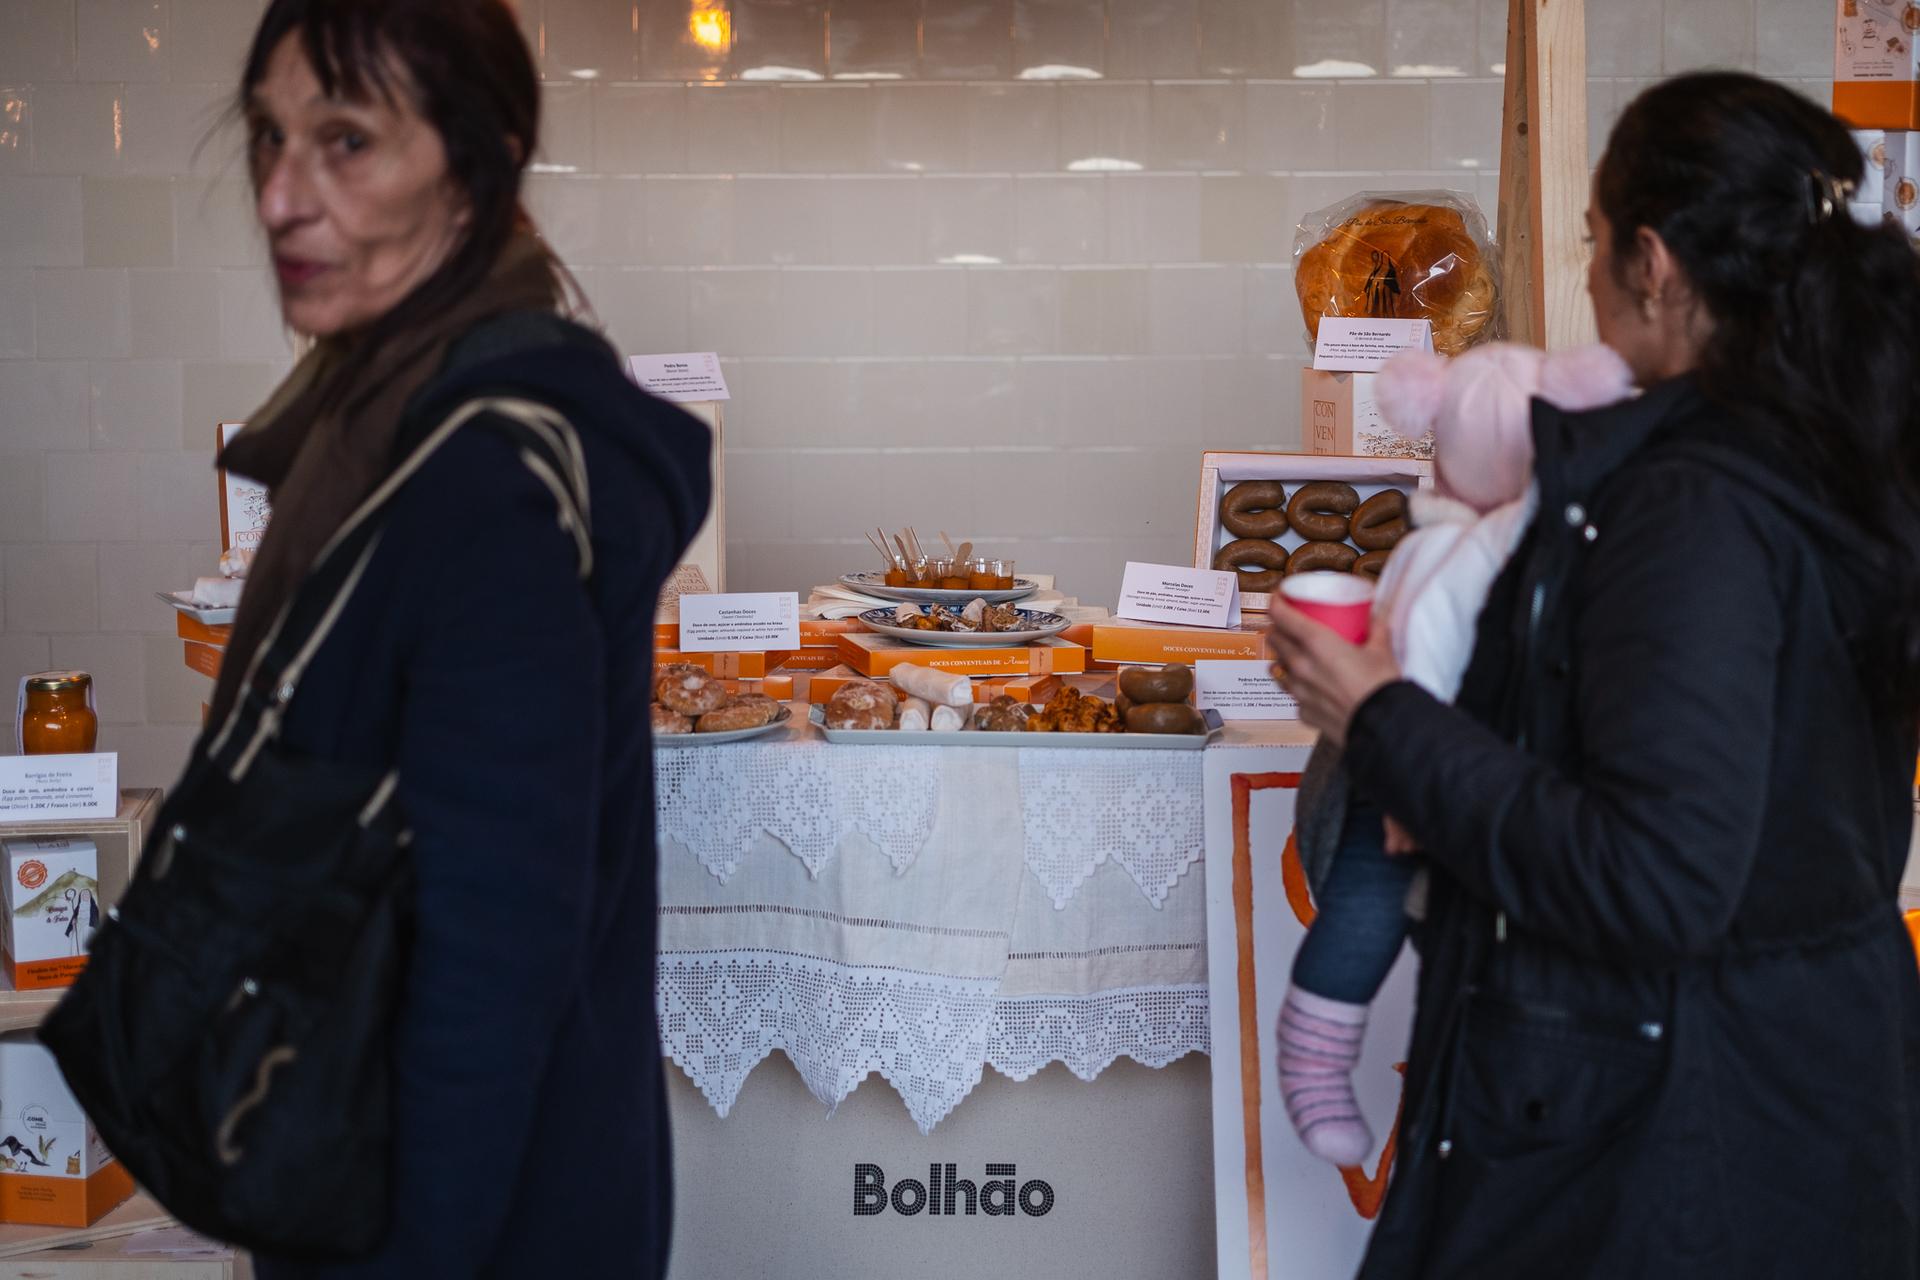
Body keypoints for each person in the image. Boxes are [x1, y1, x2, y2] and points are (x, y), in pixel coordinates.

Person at [1267, 71, 1920, 1277]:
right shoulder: (1833, 454)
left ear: (1655, 264)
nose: (1587, 276)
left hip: (1668, 1148)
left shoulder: (1691, 507)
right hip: (1787, 1107)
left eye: (1592, 243)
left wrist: (1377, 714)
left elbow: (1656, 874)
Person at [215, 1, 709, 1274]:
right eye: (270, 138)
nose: (281, 195)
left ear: (479, 159)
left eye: (346, 139)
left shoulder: (484, 479)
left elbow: (487, 964)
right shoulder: (385, 418)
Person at [1277, 340, 1632, 1166]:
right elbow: (1429, 668)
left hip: (1433, 774)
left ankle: (1341, 1060)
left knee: (1399, 928)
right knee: (1377, 913)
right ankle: (1316, 1058)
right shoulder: (1485, 553)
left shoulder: (1446, 540)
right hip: (1416, 780)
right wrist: (1411, 788)